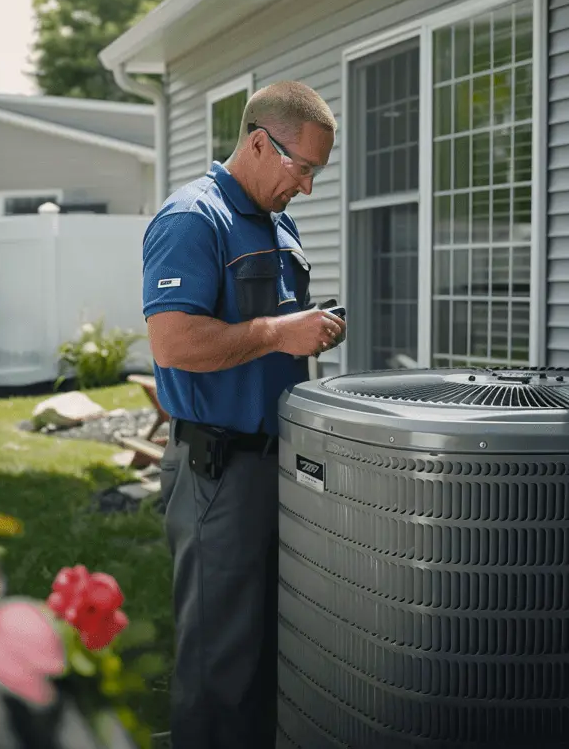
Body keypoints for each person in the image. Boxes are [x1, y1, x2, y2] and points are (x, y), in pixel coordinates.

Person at [141, 80, 343, 749]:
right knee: (218, 667)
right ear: (259, 142)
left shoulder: (277, 222)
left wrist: (306, 331)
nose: (307, 187)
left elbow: (271, 330)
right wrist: (278, 333)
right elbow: (173, 343)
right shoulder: (192, 219)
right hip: (218, 474)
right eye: (303, 168)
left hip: (276, 468)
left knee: (268, 652)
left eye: (316, 172)